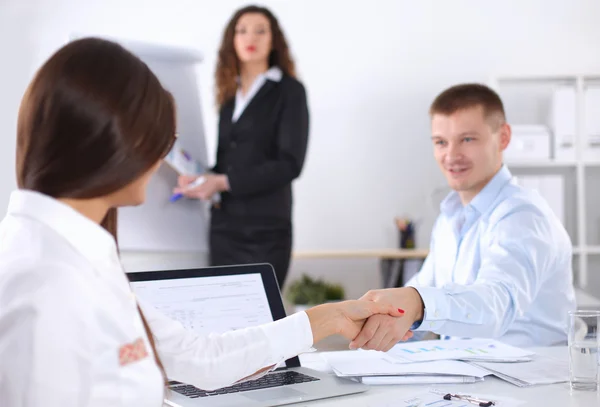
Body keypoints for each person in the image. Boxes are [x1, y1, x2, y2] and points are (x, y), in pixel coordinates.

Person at [0, 37, 406, 407]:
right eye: (164, 141)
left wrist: (328, 318)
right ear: (119, 140)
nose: (162, 160)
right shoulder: (45, 280)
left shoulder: (79, 254)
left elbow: (199, 358)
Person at [350, 83, 576, 350]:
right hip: (466, 376)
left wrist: (417, 303)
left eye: (467, 139)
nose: (451, 155)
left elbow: (495, 306)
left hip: (528, 380)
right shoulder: (449, 219)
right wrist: (377, 319)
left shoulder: (523, 214)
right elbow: (422, 293)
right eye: (441, 142)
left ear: (503, 137)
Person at [174, 5, 308, 288]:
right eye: (242, 30)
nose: (251, 37)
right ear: (231, 40)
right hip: (225, 228)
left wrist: (222, 181)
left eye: (261, 31)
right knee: (222, 321)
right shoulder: (229, 95)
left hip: (266, 229)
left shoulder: (288, 91)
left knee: (261, 319)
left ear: (274, 41)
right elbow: (229, 162)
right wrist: (202, 179)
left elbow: (290, 164)